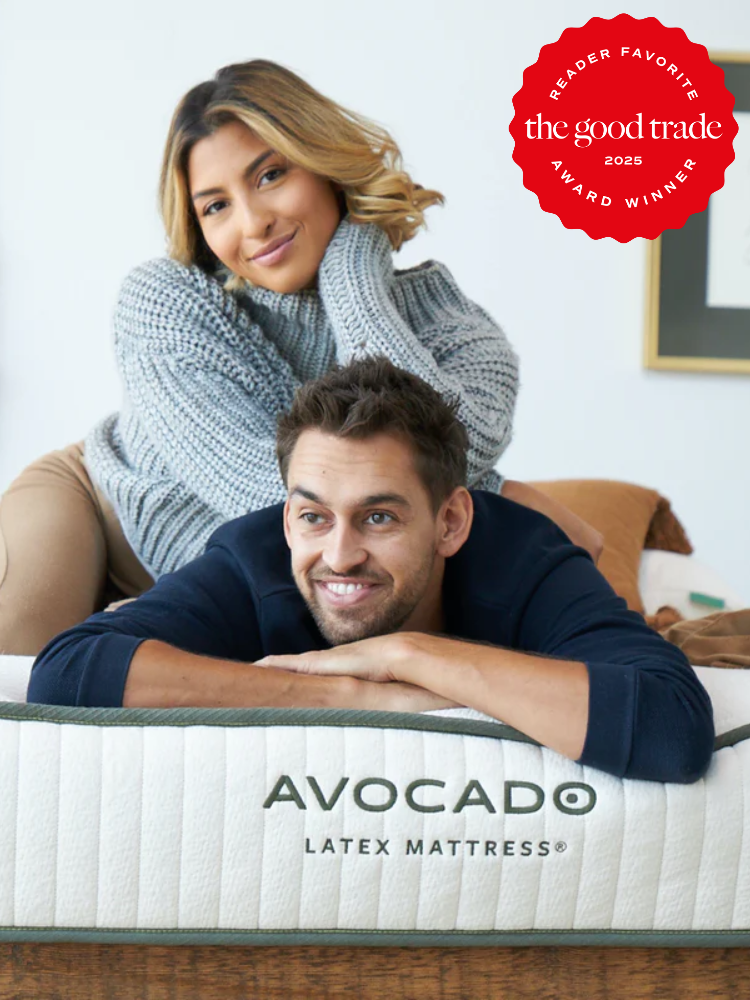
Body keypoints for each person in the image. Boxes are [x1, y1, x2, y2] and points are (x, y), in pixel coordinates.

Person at [0, 58, 603, 657]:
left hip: (265, 566)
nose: (253, 222)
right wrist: (510, 503)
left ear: (324, 163)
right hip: (107, 512)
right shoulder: (166, 301)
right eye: (215, 206)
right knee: (15, 668)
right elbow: (276, 496)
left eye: (269, 176)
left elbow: (457, 443)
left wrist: (353, 272)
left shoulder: (449, 322)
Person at [28, 358, 713, 784]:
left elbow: (670, 727)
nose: (339, 555)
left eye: (379, 518)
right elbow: (67, 671)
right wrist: (347, 694)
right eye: (314, 515)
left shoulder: (528, 560)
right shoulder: (255, 556)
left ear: (451, 523)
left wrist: (405, 654)